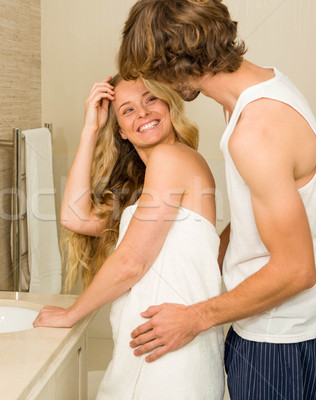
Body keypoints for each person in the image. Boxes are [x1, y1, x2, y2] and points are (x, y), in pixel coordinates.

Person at [118, 1, 316, 399]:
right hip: (310, 323)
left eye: (156, 74)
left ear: (178, 62)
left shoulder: (254, 131)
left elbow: (296, 271)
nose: (160, 88)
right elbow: (260, 224)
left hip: (279, 338)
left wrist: (194, 317)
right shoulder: (263, 90)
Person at [33, 74, 225, 399]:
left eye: (150, 99)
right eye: (128, 109)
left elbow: (132, 262)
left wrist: (72, 313)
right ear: (121, 131)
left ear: (168, 103)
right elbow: (75, 216)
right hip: (164, 358)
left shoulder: (171, 158)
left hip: (165, 364)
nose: (143, 113)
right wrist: (90, 129)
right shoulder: (153, 182)